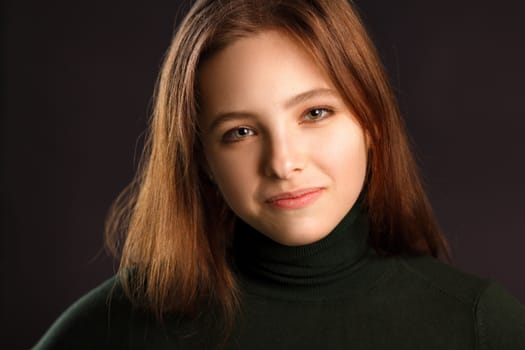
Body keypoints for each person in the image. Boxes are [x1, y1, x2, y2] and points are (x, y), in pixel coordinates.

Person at [34, 0, 525, 349]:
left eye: (314, 113)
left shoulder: (477, 326)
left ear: (371, 121)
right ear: (201, 157)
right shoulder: (113, 331)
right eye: (241, 131)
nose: (283, 162)